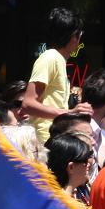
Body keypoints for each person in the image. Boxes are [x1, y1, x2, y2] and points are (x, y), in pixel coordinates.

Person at [23, 8, 82, 143]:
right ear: (73, 37)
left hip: (54, 139)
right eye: (80, 35)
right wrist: (69, 113)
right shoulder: (49, 58)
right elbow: (28, 103)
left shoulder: (58, 60)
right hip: (43, 142)